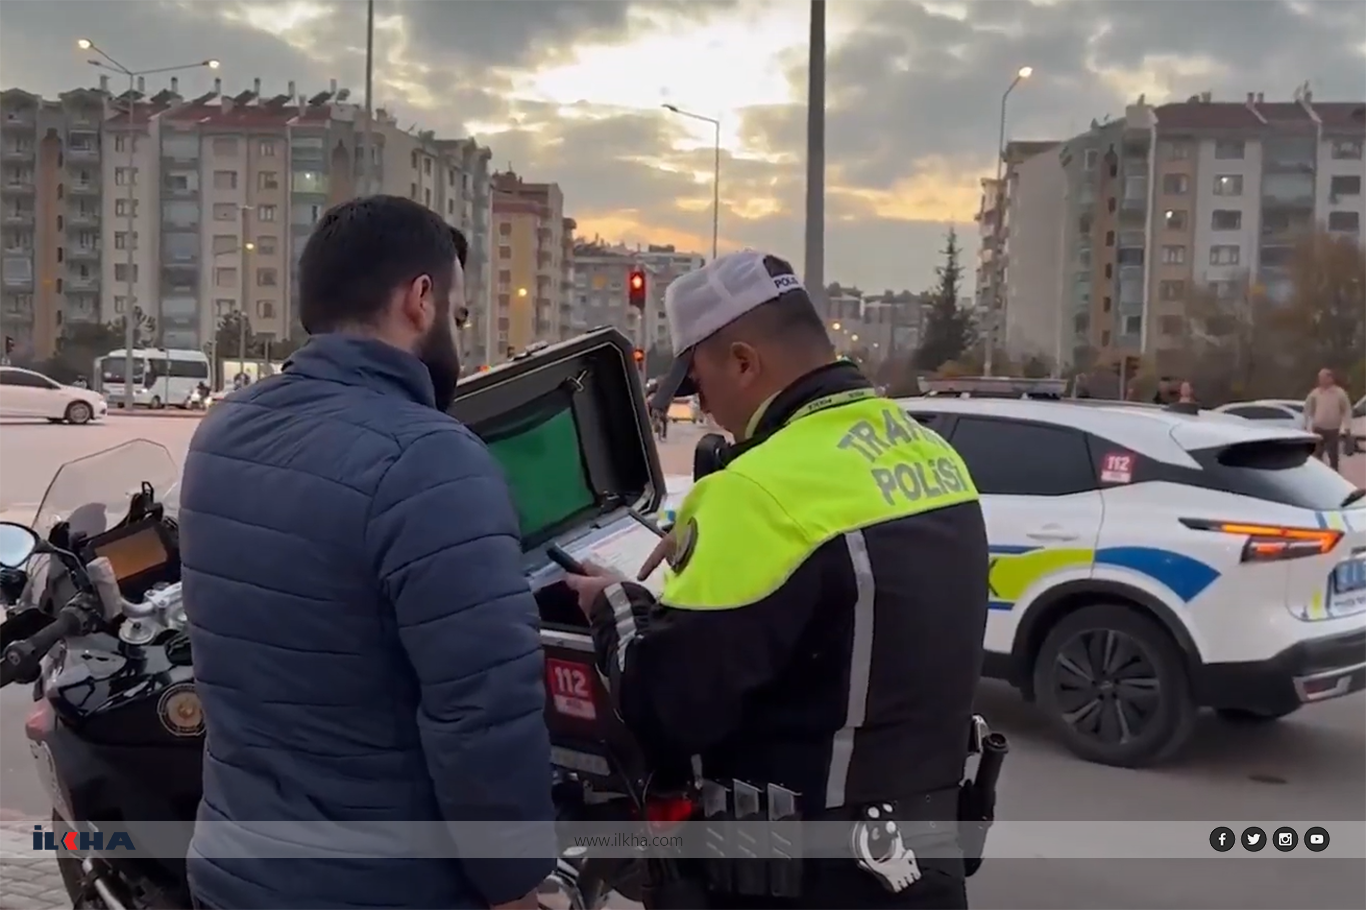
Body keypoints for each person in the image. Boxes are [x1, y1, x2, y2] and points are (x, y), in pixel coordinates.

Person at [563, 250, 989, 909]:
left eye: (697, 383)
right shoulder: (931, 453)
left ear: (743, 361)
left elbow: (668, 710)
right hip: (920, 870)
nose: (701, 407)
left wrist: (616, 603)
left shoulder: (756, 491)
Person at [178, 196, 553, 910]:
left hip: (235, 872)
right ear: (421, 299)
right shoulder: (430, 457)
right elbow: (482, 713)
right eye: (460, 313)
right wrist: (513, 888)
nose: (460, 336)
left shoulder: (225, 431)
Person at [1305, 367, 1353, 471]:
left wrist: (1347, 427)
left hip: (1333, 429)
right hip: (1318, 428)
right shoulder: (1315, 393)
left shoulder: (1339, 393)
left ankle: (1334, 474)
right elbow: (1308, 408)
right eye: (1319, 378)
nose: (1321, 380)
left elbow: (1347, 410)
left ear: (1330, 378)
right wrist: (1307, 424)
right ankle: (1318, 474)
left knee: (1333, 455)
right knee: (1317, 454)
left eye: (1323, 377)